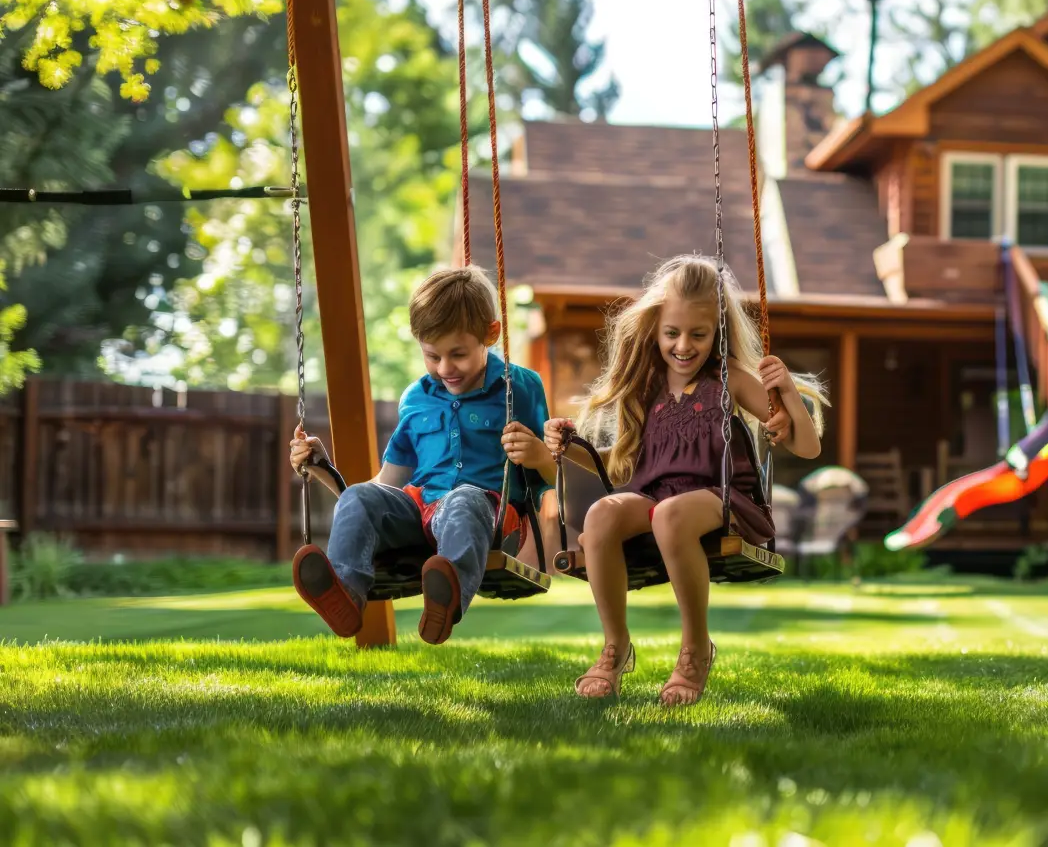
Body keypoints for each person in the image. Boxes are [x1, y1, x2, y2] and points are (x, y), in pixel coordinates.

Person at [544, 255, 826, 705]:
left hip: (721, 499)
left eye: (698, 334)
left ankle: (695, 648)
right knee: (600, 515)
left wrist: (788, 393)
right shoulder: (646, 385)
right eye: (672, 333)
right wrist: (563, 447)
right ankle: (615, 647)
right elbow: (617, 467)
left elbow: (806, 448)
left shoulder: (729, 377)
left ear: (718, 332)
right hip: (655, 498)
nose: (683, 346)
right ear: (655, 329)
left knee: (671, 515)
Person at [290, 266, 556, 643]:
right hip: (421, 514)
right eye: (432, 356)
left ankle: (444, 598)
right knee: (360, 497)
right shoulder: (416, 398)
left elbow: (553, 477)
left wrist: (539, 454)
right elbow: (387, 485)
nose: (445, 368)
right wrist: (323, 469)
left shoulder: (521, 387)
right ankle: (345, 593)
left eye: (458, 354)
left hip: (491, 516)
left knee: (464, 499)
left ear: (491, 334)